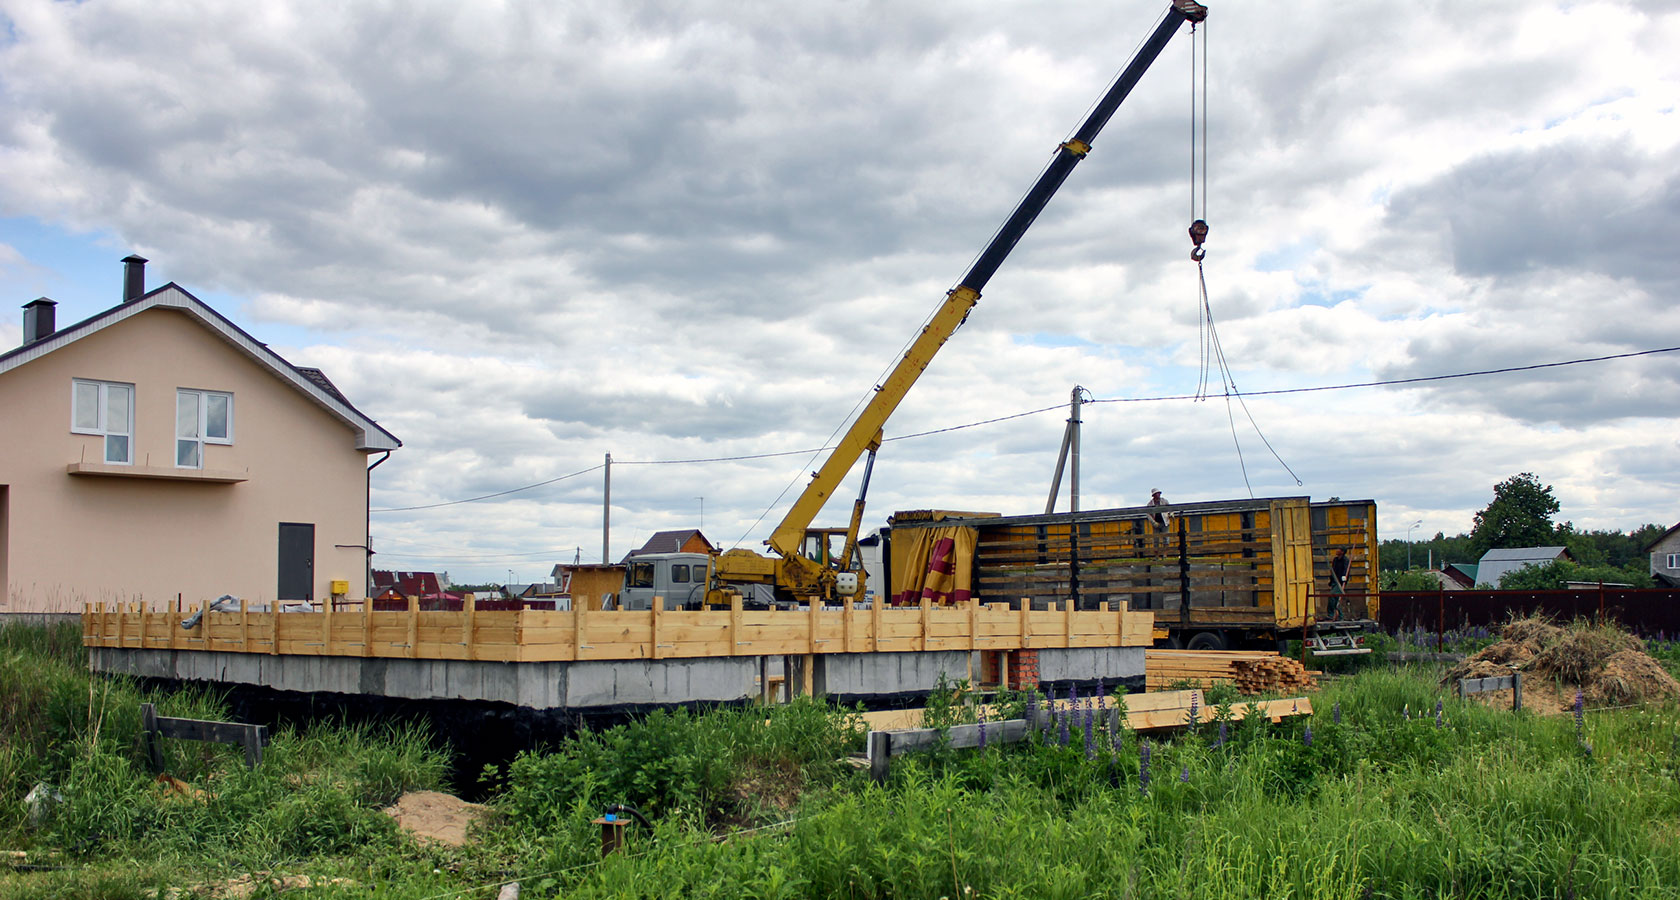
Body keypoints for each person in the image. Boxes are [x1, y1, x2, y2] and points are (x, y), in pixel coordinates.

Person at [1328, 547, 1351, 619]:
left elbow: (1346, 569)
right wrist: (1331, 579)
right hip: (1334, 581)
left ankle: (1331, 614)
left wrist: (1344, 577)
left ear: (1342, 552)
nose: (1336, 550)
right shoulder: (1335, 560)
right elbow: (1333, 570)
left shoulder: (1345, 560)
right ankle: (1340, 616)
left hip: (1340, 582)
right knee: (1336, 599)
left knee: (1332, 595)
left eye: (1339, 549)